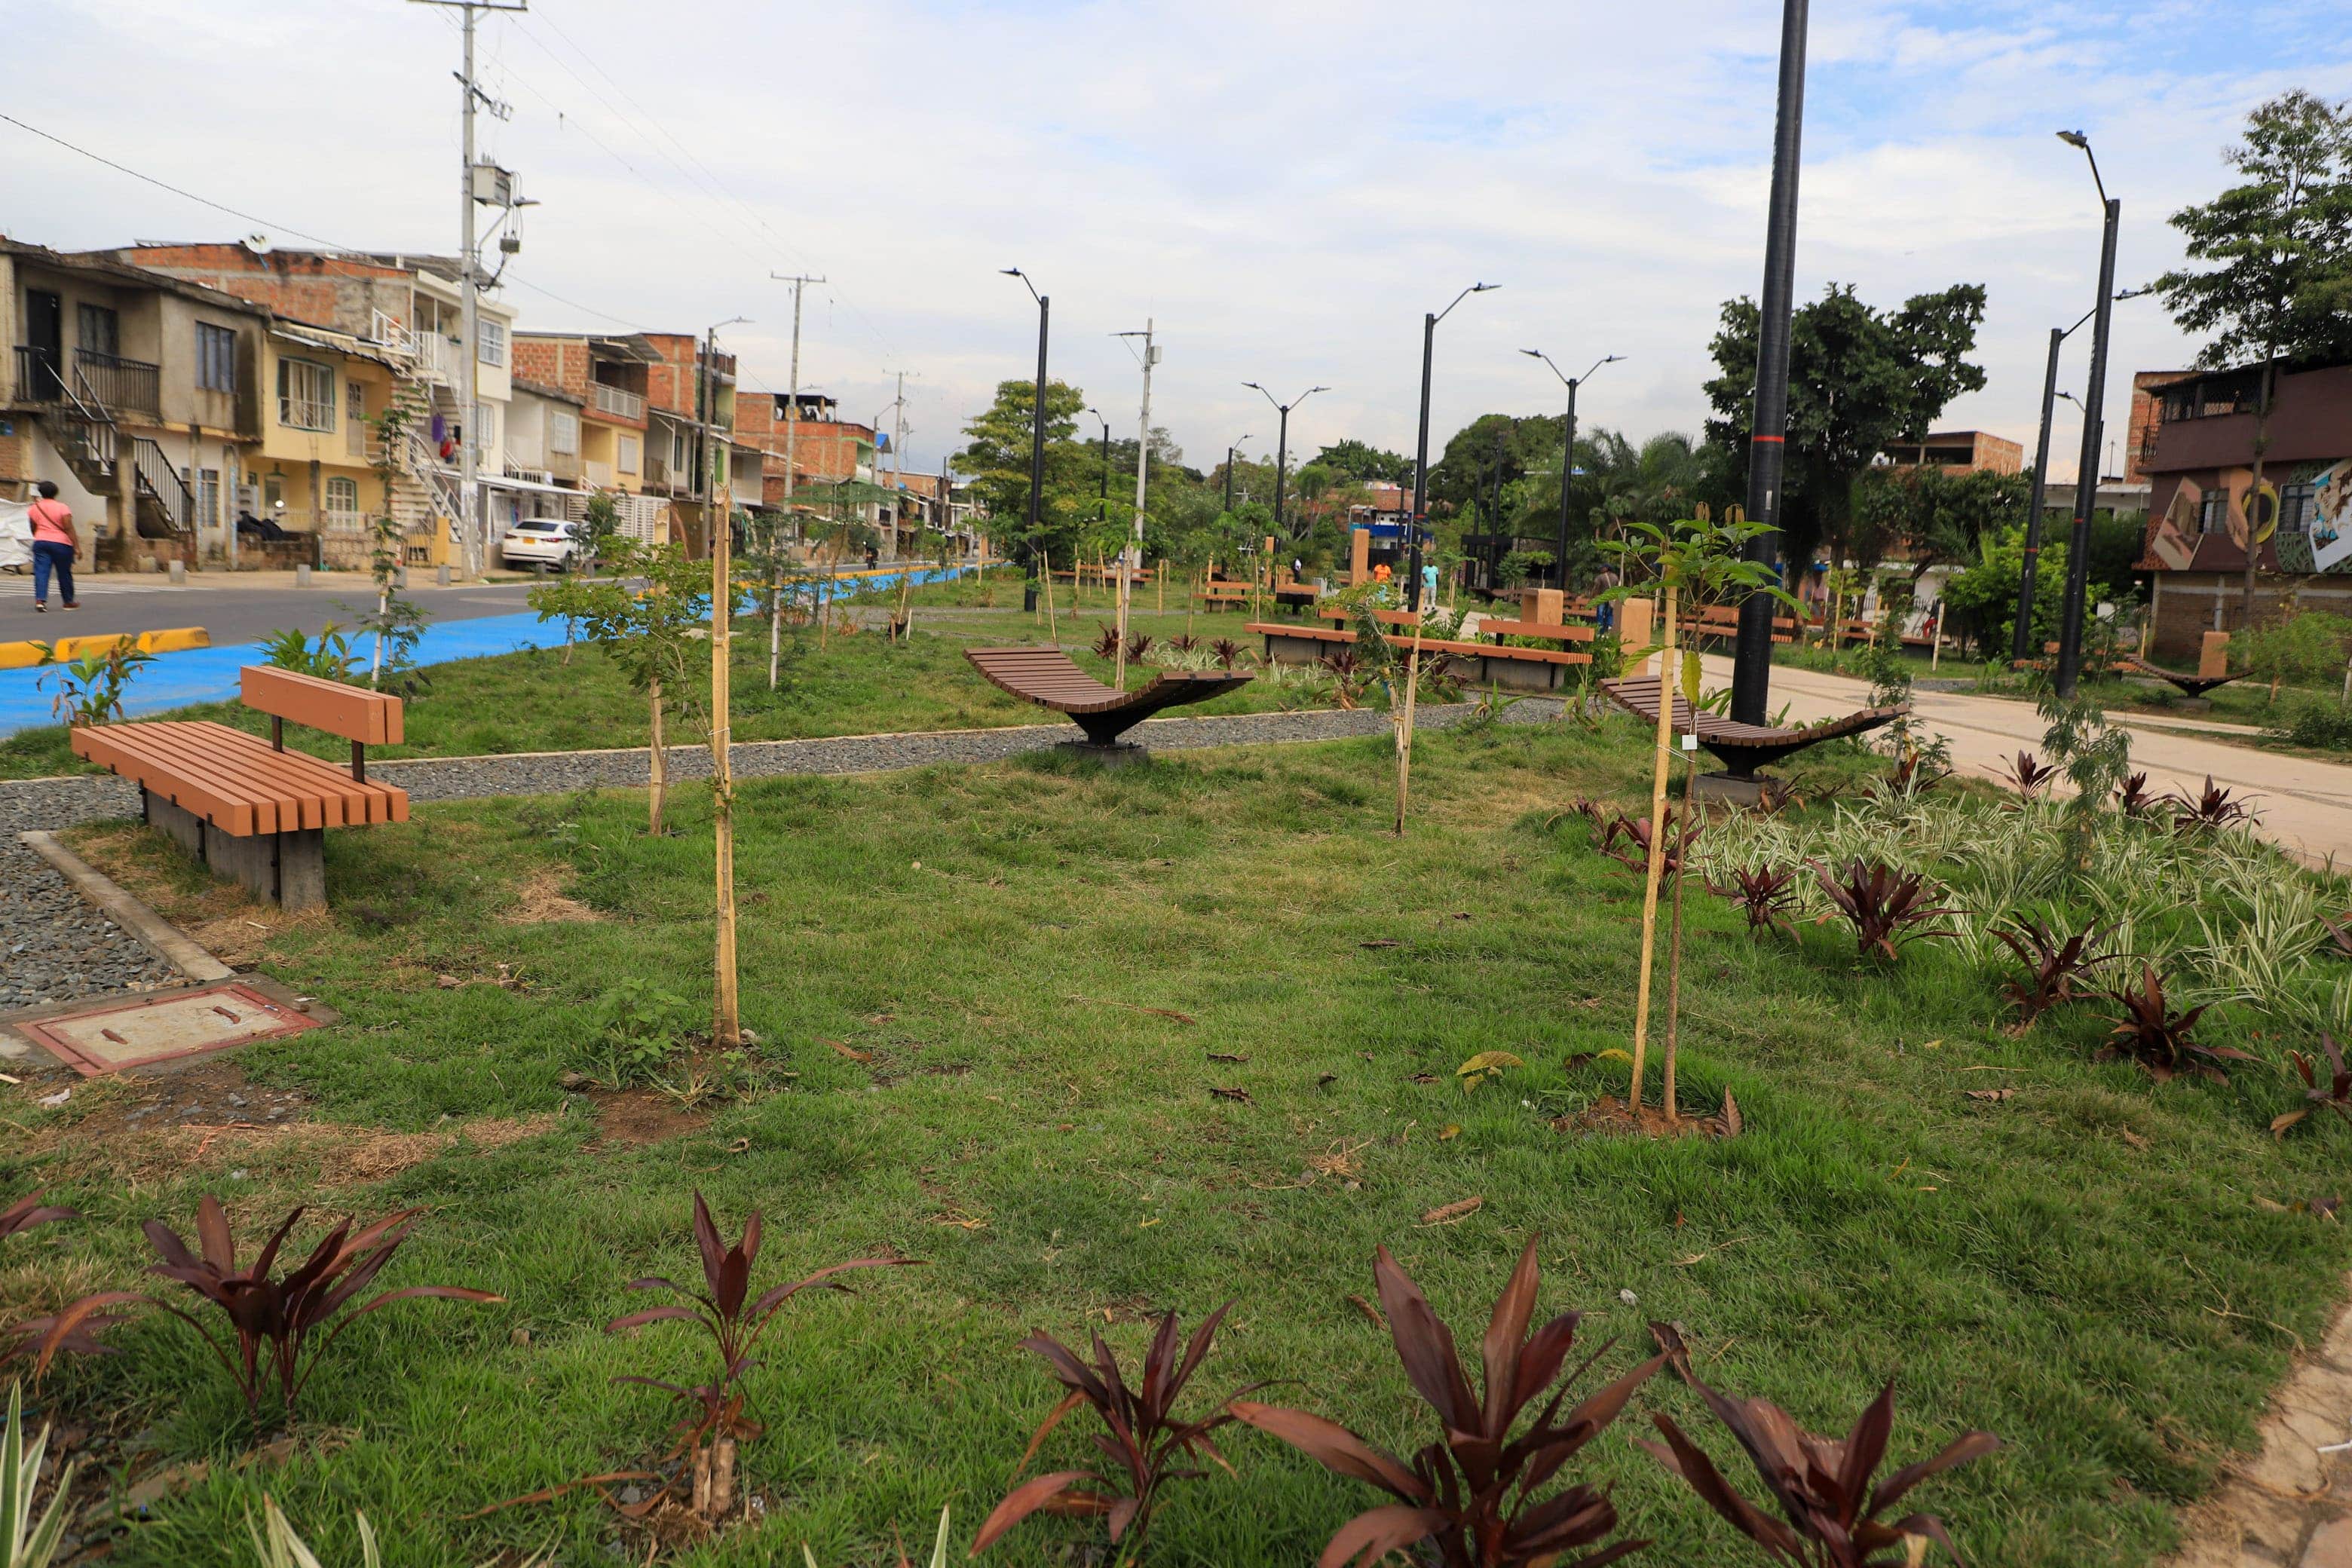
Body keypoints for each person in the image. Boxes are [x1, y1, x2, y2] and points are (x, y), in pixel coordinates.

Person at [28, 481, 78, 611]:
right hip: (62, 544)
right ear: (56, 492)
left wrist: (40, 535)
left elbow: (33, 527)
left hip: (41, 542)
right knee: (64, 573)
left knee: (41, 572)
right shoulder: (63, 507)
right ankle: (68, 602)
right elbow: (69, 528)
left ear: (41, 493)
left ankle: (40, 601)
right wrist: (77, 546)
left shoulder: (34, 508)